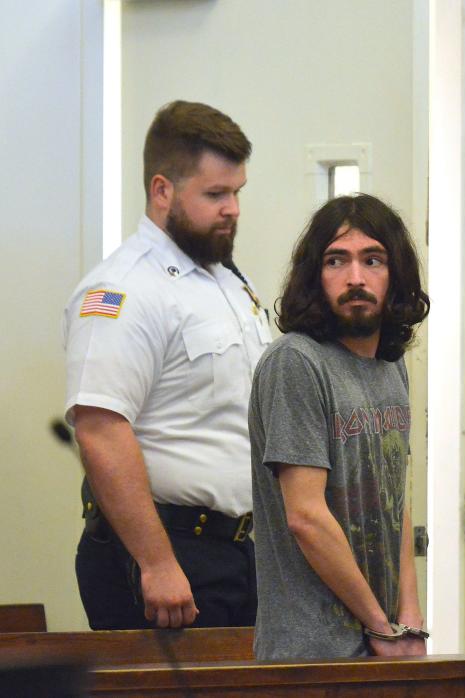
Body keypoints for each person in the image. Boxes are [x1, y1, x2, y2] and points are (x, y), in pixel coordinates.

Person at [63, 100, 270, 630]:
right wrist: (157, 563)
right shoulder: (123, 289)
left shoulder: (224, 280)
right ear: (162, 190)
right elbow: (101, 431)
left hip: (240, 554)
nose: (233, 209)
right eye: (215, 194)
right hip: (168, 555)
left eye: (237, 192)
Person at [249, 193, 430, 660]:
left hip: (379, 644)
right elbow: (305, 518)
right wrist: (380, 625)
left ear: (396, 276)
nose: (355, 278)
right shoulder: (295, 362)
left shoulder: (392, 365)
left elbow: (396, 499)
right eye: (336, 261)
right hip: (311, 655)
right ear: (314, 276)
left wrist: (408, 620)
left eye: (373, 260)